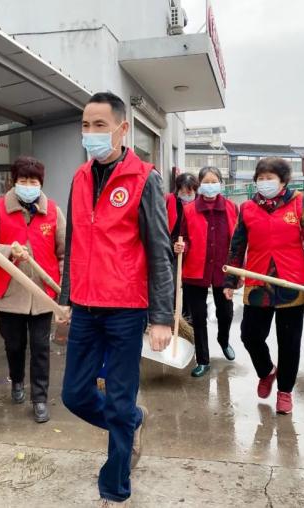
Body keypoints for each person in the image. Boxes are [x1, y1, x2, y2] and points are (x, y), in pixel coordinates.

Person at [58, 92, 174, 506]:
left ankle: (115, 488)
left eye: (100, 126)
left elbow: (159, 250)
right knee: (74, 394)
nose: (91, 134)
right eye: (86, 126)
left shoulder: (144, 177)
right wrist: (66, 295)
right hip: (86, 306)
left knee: (120, 397)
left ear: (123, 129)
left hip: (126, 308)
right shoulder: (78, 178)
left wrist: (162, 317)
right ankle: (132, 421)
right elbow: (74, 241)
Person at [224, 158, 304, 414]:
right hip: (258, 281)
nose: (265, 182)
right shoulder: (247, 208)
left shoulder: (301, 203)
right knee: (250, 334)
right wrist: (230, 280)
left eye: (270, 177)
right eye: (261, 177)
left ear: (283, 181)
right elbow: (237, 245)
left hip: (292, 282)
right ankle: (267, 370)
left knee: (289, 341)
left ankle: (285, 392)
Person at [0, 156, 65, 423]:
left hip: (41, 295)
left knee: (40, 347)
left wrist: (61, 283)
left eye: (33, 181)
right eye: (23, 180)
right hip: (9, 293)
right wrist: (8, 250)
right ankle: (17, 380)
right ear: (14, 182)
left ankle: (39, 398)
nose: (28, 185)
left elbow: (64, 252)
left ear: (40, 183)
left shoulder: (53, 211)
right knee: (14, 344)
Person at [174, 166, 238, 378]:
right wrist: (181, 247)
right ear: (200, 185)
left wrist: (238, 271)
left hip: (223, 270)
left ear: (220, 183)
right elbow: (183, 238)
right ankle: (203, 359)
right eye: (206, 181)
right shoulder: (190, 209)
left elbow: (237, 242)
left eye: (214, 181)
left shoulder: (230, 208)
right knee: (198, 317)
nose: (210, 185)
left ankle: (223, 339)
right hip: (195, 270)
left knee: (226, 313)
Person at [165, 173, 199, 323]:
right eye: (182, 192)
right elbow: (162, 225)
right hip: (171, 248)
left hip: (192, 249)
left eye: (189, 192)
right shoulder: (169, 200)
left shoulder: (199, 203)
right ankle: (171, 317)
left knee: (189, 286)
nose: (185, 195)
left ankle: (187, 319)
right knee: (170, 284)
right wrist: (171, 244)